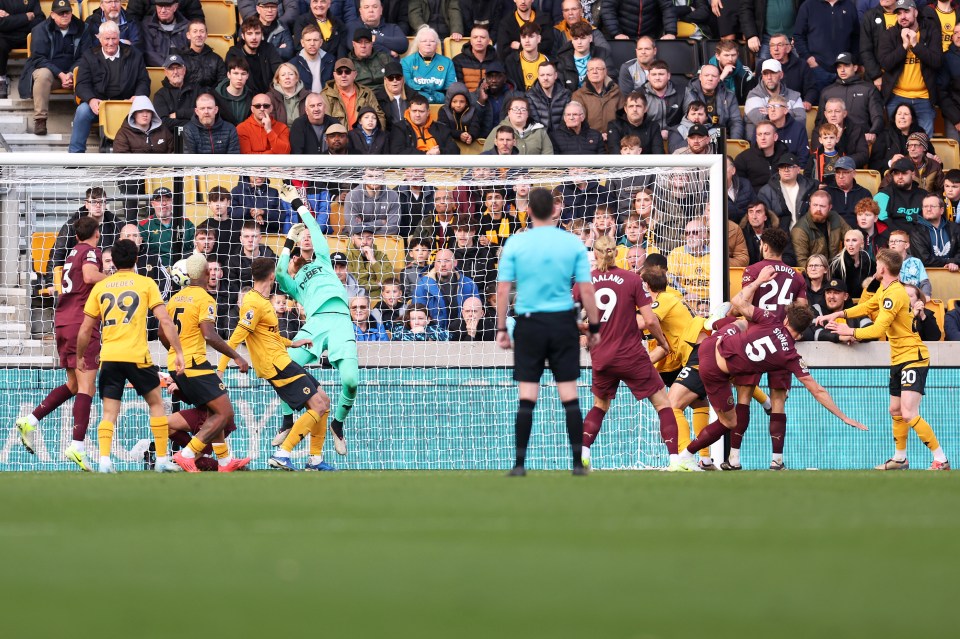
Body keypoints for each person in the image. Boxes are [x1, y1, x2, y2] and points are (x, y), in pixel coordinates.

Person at [675, 266, 867, 471]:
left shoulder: (770, 319)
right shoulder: (791, 357)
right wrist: (844, 417)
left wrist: (759, 281)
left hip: (711, 350)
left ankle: (716, 323)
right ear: (801, 333)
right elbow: (817, 390)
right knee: (729, 422)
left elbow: (738, 302)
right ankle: (685, 456)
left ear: (786, 319)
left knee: (740, 324)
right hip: (716, 370)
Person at [496, 186, 600, 476]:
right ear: (554, 209)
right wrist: (594, 326)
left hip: (529, 323)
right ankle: (578, 464)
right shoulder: (572, 244)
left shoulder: (516, 243)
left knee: (527, 394)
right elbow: (587, 290)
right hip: (563, 324)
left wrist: (502, 327)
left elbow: (503, 289)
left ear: (527, 210)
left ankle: (519, 465)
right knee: (569, 394)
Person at [821, 249, 949, 470]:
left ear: (882, 268)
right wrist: (839, 314)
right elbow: (868, 306)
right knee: (896, 410)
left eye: (877, 265)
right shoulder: (885, 289)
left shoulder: (895, 294)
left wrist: (848, 331)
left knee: (909, 413)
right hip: (899, 357)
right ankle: (900, 458)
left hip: (913, 357)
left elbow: (878, 328)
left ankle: (941, 459)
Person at [75, 238, 185, 474]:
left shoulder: (101, 287)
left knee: (109, 411)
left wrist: (80, 356)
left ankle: (104, 461)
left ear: (112, 261)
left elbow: (85, 328)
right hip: (137, 356)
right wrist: (178, 350)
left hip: (110, 357)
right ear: (136, 259)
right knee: (156, 404)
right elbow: (165, 320)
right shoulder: (146, 283)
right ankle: (162, 459)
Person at [217, 257, 336, 472]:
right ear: (272, 276)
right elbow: (235, 338)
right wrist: (221, 369)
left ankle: (315, 460)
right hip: (275, 365)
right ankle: (282, 454)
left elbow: (270, 336)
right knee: (318, 405)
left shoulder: (264, 301)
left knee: (323, 401)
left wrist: (293, 342)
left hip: (283, 359)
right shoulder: (253, 303)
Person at [573, 235, 680, 470]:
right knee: (663, 404)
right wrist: (663, 343)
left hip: (602, 356)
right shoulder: (631, 279)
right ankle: (674, 460)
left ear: (596, 254)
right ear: (616, 253)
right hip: (631, 354)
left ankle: (584, 454)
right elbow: (650, 320)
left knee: (599, 406)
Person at [273, 184, 360, 458]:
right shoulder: (294, 281)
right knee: (283, 363)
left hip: (341, 321)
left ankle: (338, 423)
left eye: (310, 236)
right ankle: (288, 418)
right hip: (317, 321)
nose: (308, 238)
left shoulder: (323, 259)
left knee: (351, 380)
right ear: (298, 246)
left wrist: (298, 204)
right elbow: (278, 272)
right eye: (303, 237)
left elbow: (314, 226)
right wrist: (289, 238)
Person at [15, 217, 105, 470]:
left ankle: (30, 420)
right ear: (96, 233)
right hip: (81, 325)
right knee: (87, 387)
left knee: (74, 384)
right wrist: (110, 276)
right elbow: (89, 277)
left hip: (63, 323)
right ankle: (77, 447)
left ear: (76, 235)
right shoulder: (89, 252)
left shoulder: (70, 253)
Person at [159, 254, 251, 473]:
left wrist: (176, 352)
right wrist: (236, 356)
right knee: (224, 413)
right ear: (205, 273)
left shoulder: (175, 299)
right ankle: (187, 453)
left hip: (177, 364)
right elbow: (209, 335)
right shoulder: (205, 298)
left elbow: (163, 332)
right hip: (195, 364)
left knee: (213, 411)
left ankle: (225, 461)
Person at [725, 228, 808, 471]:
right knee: (778, 401)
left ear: (764, 246)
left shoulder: (752, 271)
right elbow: (802, 312)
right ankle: (777, 460)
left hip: (754, 342)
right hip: (781, 343)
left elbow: (742, 304)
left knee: (744, 397)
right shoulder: (797, 276)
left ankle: (734, 458)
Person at [70, 21, 151, 153]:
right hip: (100, 105)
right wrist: (91, 99)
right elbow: (81, 84)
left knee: (145, 111)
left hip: (127, 104)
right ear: (100, 39)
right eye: (107, 39)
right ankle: (75, 155)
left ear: (119, 38)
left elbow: (144, 81)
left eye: (114, 38)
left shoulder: (134, 54)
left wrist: (137, 96)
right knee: (82, 111)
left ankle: (143, 155)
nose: (111, 43)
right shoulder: (89, 56)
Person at [877, 0, 942, 137]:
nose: (903, 16)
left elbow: (937, 62)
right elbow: (885, 63)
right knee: (896, 140)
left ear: (916, 12)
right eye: (899, 13)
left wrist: (915, 45)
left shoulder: (931, 31)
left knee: (923, 142)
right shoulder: (890, 34)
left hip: (923, 97)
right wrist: (904, 47)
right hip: (897, 97)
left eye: (906, 11)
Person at [19, 0, 83, 136]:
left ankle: (88, 120)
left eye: (67, 12)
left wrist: (71, 73)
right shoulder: (40, 29)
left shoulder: (83, 28)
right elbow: (39, 58)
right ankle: (40, 120)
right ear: (53, 15)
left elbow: (86, 56)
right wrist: (61, 74)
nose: (64, 15)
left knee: (90, 70)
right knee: (43, 74)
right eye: (61, 13)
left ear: (72, 13)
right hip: (51, 76)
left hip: (75, 76)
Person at [48, 187, 122, 278]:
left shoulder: (116, 226)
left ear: (105, 203)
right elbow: (57, 255)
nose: (98, 205)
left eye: (101, 202)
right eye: (94, 202)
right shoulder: (72, 226)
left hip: (108, 276)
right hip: (78, 276)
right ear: (86, 204)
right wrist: (50, 283)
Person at [816, 52, 885, 144]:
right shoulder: (827, 92)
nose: (842, 70)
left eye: (846, 66)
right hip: (833, 143)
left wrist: (873, 132)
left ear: (855, 68)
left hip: (861, 141)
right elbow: (820, 122)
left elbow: (877, 116)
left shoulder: (869, 89)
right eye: (839, 67)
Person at [793, 0, 860, 93]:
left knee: (844, 106)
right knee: (820, 105)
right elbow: (798, 36)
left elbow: (856, 37)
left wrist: (853, 60)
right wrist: (808, 58)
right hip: (817, 68)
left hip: (844, 68)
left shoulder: (849, 6)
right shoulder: (808, 5)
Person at [412, 249, 481, 331]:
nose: (443, 265)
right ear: (434, 264)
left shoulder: (469, 284)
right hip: (434, 336)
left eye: (447, 261)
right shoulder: (422, 285)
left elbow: (477, 312)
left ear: (455, 263)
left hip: (463, 333)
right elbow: (417, 315)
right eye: (439, 261)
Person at [758, 152, 820, 232]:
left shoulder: (810, 187)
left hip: (805, 233)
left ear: (798, 169)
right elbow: (765, 220)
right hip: (779, 235)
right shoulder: (766, 191)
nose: (786, 170)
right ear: (779, 170)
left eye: (790, 166)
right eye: (782, 167)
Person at [791, 189, 852, 267]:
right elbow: (801, 262)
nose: (818, 209)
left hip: (835, 268)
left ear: (830, 207)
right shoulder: (800, 230)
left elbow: (852, 235)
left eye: (822, 206)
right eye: (815, 205)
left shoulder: (835, 217)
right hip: (814, 273)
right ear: (810, 204)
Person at [323, 56, 387, 130]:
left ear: (355, 74)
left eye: (347, 72)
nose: (343, 75)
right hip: (339, 139)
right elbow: (324, 123)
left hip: (364, 139)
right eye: (339, 72)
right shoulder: (325, 95)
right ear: (334, 75)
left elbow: (379, 116)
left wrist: (376, 137)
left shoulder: (366, 92)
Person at [803, 277, 873, 341]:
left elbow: (871, 332)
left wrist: (852, 333)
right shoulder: (815, 309)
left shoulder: (856, 309)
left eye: (836, 293)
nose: (831, 296)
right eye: (828, 293)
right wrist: (841, 337)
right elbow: (816, 334)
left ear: (845, 296)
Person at [227, 16, 283, 95]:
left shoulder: (269, 48)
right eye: (249, 34)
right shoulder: (234, 53)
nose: (254, 38)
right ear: (243, 36)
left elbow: (279, 72)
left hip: (269, 95)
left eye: (257, 33)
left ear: (262, 35)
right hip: (245, 97)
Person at [389, 93, 460, 155]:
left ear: (428, 112)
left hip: (439, 168)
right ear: (409, 110)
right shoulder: (399, 128)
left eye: (421, 111)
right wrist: (426, 154)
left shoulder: (440, 128)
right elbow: (396, 152)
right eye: (414, 111)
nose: (417, 115)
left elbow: (455, 150)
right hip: (412, 168)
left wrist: (439, 152)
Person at [401, 26, 456, 104]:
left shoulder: (447, 62)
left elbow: (451, 87)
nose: (428, 44)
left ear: (437, 44)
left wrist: (434, 95)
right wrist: (427, 92)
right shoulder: (406, 62)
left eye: (432, 41)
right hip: (416, 101)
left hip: (440, 101)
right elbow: (407, 84)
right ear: (418, 44)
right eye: (424, 41)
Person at [481, 96, 553, 154]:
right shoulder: (497, 130)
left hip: (535, 172)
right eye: (515, 109)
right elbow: (486, 156)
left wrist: (535, 172)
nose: (519, 112)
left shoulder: (540, 132)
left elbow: (548, 157)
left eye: (523, 109)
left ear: (528, 113)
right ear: (509, 112)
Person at [571, 58, 624, 137]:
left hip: (613, 139)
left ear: (605, 72)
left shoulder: (616, 92)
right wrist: (596, 136)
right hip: (588, 140)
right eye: (591, 69)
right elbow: (577, 122)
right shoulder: (578, 95)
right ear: (587, 73)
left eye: (598, 69)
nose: (594, 72)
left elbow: (623, 119)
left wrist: (612, 134)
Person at [873, 157, 928, 232]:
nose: (900, 177)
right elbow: (882, 222)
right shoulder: (882, 195)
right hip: (893, 238)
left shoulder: (924, 195)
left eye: (904, 173)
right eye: (896, 173)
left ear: (913, 174)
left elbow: (929, 221)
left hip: (919, 238)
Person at [879, 131, 944, 194]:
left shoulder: (935, 166)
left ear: (924, 148)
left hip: (928, 203)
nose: (912, 149)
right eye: (910, 145)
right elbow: (883, 189)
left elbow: (942, 191)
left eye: (916, 145)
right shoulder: (899, 164)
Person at [226, 221, 277, 297]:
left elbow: (277, 286)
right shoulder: (232, 262)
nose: (250, 240)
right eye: (246, 236)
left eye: (254, 236)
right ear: (241, 239)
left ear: (260, 238)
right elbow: (232, 291)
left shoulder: (271, 259)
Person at [342, 168, 401, 235]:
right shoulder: (353, 196)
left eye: (378, 176)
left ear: (384, 177)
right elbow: (353, 229)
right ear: (363, 178)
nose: (374, 179)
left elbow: (393, 229)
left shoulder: (393, 196)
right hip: (355, 240)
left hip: (384, 239)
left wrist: (363, 227)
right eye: (370, 176)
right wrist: (380, 223)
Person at [734, 120, 789, 190]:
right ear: (756, 138)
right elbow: (740, 188)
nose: (763, 138)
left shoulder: (785, 156)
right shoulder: (743, 159)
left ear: (775, 137)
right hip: (754, 199)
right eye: (760, 134)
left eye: (766, 134)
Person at [152, 53, 199, 133]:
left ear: (184, 70)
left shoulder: (197, 89)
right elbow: (164, 122)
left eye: (178, 67)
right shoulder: (160, 95)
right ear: (165, 72)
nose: (175, 72)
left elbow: (204, 113)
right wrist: (193, 121)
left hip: (196, 136)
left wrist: (178, 114)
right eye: (171, 69)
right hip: (171, 139)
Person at [605, 91, 662, 155]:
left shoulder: (653, 127)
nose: (635, 109)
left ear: (645, 109)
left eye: (638, 106)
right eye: (631, 106)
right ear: (625, 109)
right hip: (622, 164)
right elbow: (615, 152)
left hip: (647, 164)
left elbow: (658, 154)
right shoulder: (614, 125)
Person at [176, 19, 226, 92]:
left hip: (211, 98)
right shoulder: (181, 59)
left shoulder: (216, 59)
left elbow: (222, 82)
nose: (199, 35)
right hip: (187, 99)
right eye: (195, 31)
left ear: (206, 35)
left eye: (202, 31)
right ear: (188, 35)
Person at [912, 193, 960, 268]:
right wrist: (949, 262)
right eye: (925, 206)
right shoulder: (916, 231)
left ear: (941, 210)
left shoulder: (955, 228)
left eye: (933, 206)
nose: (928, 209)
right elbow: (924, 259)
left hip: (955, 273)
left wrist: (955, 263)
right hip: (927, 275)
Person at [346, 227, 393, 299]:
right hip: (355, 299)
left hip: (379, 298)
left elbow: (389, 280)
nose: (365, 242)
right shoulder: (347, 256)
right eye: (360, 238)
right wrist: (377, 284)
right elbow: (353, 282)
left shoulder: (381, 256)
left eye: (369, 238)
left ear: (373, 240)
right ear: (353, 239)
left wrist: (373, 260)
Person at [830, 229, 876, 299]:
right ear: (844, 243)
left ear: (862, 243)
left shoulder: (868, 261)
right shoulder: (836, 265)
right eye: (847, 240)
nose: (850, 244)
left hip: (864, 302)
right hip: (844, 304)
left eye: (854, 240)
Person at [141, 0, 189, 67]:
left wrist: (179, 67)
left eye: (167, 6)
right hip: (158, 70)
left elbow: (190, 52)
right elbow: (148, 52)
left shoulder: (187, 26)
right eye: (160, 6)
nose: (163, 10)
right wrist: (167, 66)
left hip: (182, 70)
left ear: (175, 7)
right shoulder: (147, 25)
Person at [827, 157, 873, 226]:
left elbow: (867, 219)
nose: (841, 176)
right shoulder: (826, 192)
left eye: (845, 172)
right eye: (838, 172)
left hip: (857, 233)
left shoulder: (864, 193)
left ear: (854, 174)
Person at [600, 0, 678, 40]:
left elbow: (668, 8)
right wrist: (616, 33)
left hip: (651, 36)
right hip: (623, 37)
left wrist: (670, 32)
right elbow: (608, 9)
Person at [290, 23, 333, 94]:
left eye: (315, 40)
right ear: (302, 43)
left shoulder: (330, 61)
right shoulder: (293, 65)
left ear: (321, 42)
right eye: (308, 40)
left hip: (326, 101)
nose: (312, 43)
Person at [453, 25, 497, 92]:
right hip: (467, 100)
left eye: (482, 37)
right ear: (470, 40)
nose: (479, 40)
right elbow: (459, 89)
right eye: (475, 37)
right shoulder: (458, 61)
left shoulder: (497, 60)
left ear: (488, 41)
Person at [888, 229, 933, 295]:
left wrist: (925, 297)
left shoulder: (916, 262)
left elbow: (925, 283)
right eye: (891, 241)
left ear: (906, 245)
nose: (893, 243)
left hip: (913, 300)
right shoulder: (885, 262)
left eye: (897, 241)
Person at [214, 57, 255, 126]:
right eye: (236, 73)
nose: (239, 78)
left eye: (243, 74)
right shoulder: (215, 97)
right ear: (228, 75)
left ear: (247, 76)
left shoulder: (252, 97)